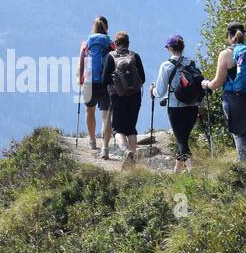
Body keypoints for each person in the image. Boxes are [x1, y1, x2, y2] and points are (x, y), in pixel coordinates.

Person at [203, 22, 246, 162]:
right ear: (244, 34)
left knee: (239, 132)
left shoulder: (226, 54)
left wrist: (206, 84)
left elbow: (218, 82)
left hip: (234, 99)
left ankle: (244, 165)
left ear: (229, 35)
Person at [150, 34, 199, 173]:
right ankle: (177, 169)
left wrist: (152, 91)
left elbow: (160, 91)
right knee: (183, 138)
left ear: (170, 48)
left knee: (181, 141)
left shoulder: (166, 65)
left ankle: (192, 170)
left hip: (175, 108)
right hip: (193, 106)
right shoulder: (191, 63)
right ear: (182, 47)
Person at [101, 31, 146, 165]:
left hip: (117, 97)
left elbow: (105, 79)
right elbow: (143, 78)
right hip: (135, 97)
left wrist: (117, 85)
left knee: (118, 129)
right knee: (131, 128)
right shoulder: (135, 56)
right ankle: (133, 161)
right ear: (128, 43)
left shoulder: (111, 56)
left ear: (115, 43)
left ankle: (126, 152)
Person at [77, 16, 114, 153]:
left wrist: (80, 79)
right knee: (106, 116)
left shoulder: (86, 43)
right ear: (106, 28)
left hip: (89, 82)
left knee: (90, 110)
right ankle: (105, 147)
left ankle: (92, 141)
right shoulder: (111, 44)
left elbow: (81, 64)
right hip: (106, 82)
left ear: (93, 28)